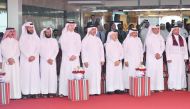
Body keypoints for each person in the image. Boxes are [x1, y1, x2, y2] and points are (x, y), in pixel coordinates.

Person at [59, 21, 81, 96]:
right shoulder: (64, 35)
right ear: (67, 26)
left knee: (75, 73)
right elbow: (63, 47)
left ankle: (74, 91)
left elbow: (79, 46)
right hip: (66, 58)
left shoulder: (77, 35)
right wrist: (69, 55)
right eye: (70, 25)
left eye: (73, 25)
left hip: (75, 58)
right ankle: (64, 92)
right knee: (66, 73)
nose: (71, 27)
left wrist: (75, 55)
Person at [82, 25, 105, 95]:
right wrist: (85, 61)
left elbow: (102, 50)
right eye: (92, 30)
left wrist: (102, 59)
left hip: (97, 61)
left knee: (97, 75)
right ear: (89, 30)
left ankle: (97, 91)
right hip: (89, 62)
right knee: (89, 75)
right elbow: (83, 51)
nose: (94, 31)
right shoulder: (85, 40)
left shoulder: (98, 40)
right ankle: (89, 91)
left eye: (95, 30)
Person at [19, 22, 40, 98]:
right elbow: (21, 47)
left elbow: (38, 47)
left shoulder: (36, 37)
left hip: (34, 59)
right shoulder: (22, 37)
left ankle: (34, 92)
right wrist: (28, 56)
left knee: (34, 75)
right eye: (29, 27)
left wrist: (33, 56)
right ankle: (25, 93)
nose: (31, 29)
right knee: (25, 75)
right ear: (26, 28)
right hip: (25, 60)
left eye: (32, 27)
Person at [0, 28, 21, 99]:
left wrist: (13, 58)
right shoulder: (3, 42)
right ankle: (6, 95)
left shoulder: (16, 42)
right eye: (10, 31)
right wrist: (9, 58)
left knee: (15, 78)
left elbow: (18, 52)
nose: (12, 33)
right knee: (7, 77)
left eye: (13, 31)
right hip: (6, 62)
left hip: (15, 62)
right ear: (7, 33)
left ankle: (15, 95)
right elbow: (2, 51)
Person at [166, 26, 188, 91]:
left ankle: (182, 86)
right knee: (173, 71)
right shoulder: (169, 38)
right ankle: (172, 86)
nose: (177, 31)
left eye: (178, 30)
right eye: (175, 30)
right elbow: (167, 49)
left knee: (181, 71)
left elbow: (185, 48)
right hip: (172, 58)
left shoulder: (182, 38)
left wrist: (185, 57)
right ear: (172, 31)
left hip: (181, 57)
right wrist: (168, 58)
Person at [145, 26, 165, 92]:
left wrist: (160, 53)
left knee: (159, 72)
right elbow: (149, 46)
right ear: (152, 29)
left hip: (159, 57)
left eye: (158, 29)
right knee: (151, 71)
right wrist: (155, 53)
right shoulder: (149, 37)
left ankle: (159, 87)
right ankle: (151, 88)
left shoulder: (160, 37)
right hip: (151, 57)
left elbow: (163, 46)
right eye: (156, 29)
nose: (157, 30)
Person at [40, 27, 59, 98]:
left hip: (52, 61)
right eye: (47, 32)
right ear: (44, 33)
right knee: (44, 76)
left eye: (49, 32)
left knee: (52, 76)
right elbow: (40, 51)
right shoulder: (41, 41)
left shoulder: (54, 40)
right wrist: (47, 59)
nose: (48, 33)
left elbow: (56, 50)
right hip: (44, 61)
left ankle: (52, 92)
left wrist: (52, 58)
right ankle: (44, 92)